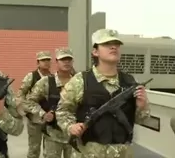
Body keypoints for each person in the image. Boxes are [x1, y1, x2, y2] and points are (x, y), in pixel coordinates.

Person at [55, 29, 150, 158]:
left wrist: (142, 105)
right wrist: (71, 126)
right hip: (88, 152)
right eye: (106, 44)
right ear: (95, 51)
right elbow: (62, 111)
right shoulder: (80, 80)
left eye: (116, 44)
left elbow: (141, 119)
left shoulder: (130, 82)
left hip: (123, 153)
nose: (113, 47)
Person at [19, 48, 74, 158]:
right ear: (57, 62)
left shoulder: (79, 81)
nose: (66, 62)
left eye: (69, 59)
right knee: (34, 148)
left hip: (73, 134)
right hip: (53, 134)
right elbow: (28, 100)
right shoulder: (47, 81)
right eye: (63, 59)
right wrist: (42, 113)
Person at [16, 51, 52, 158]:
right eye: (43, 60)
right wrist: (24, 109)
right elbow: (21, 93)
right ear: (38, 62)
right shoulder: (31, 76)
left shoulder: (53, 77)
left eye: (48, 60)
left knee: (49, 150)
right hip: (34, 118)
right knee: (34, 149)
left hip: (49, 119)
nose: (46, 62)